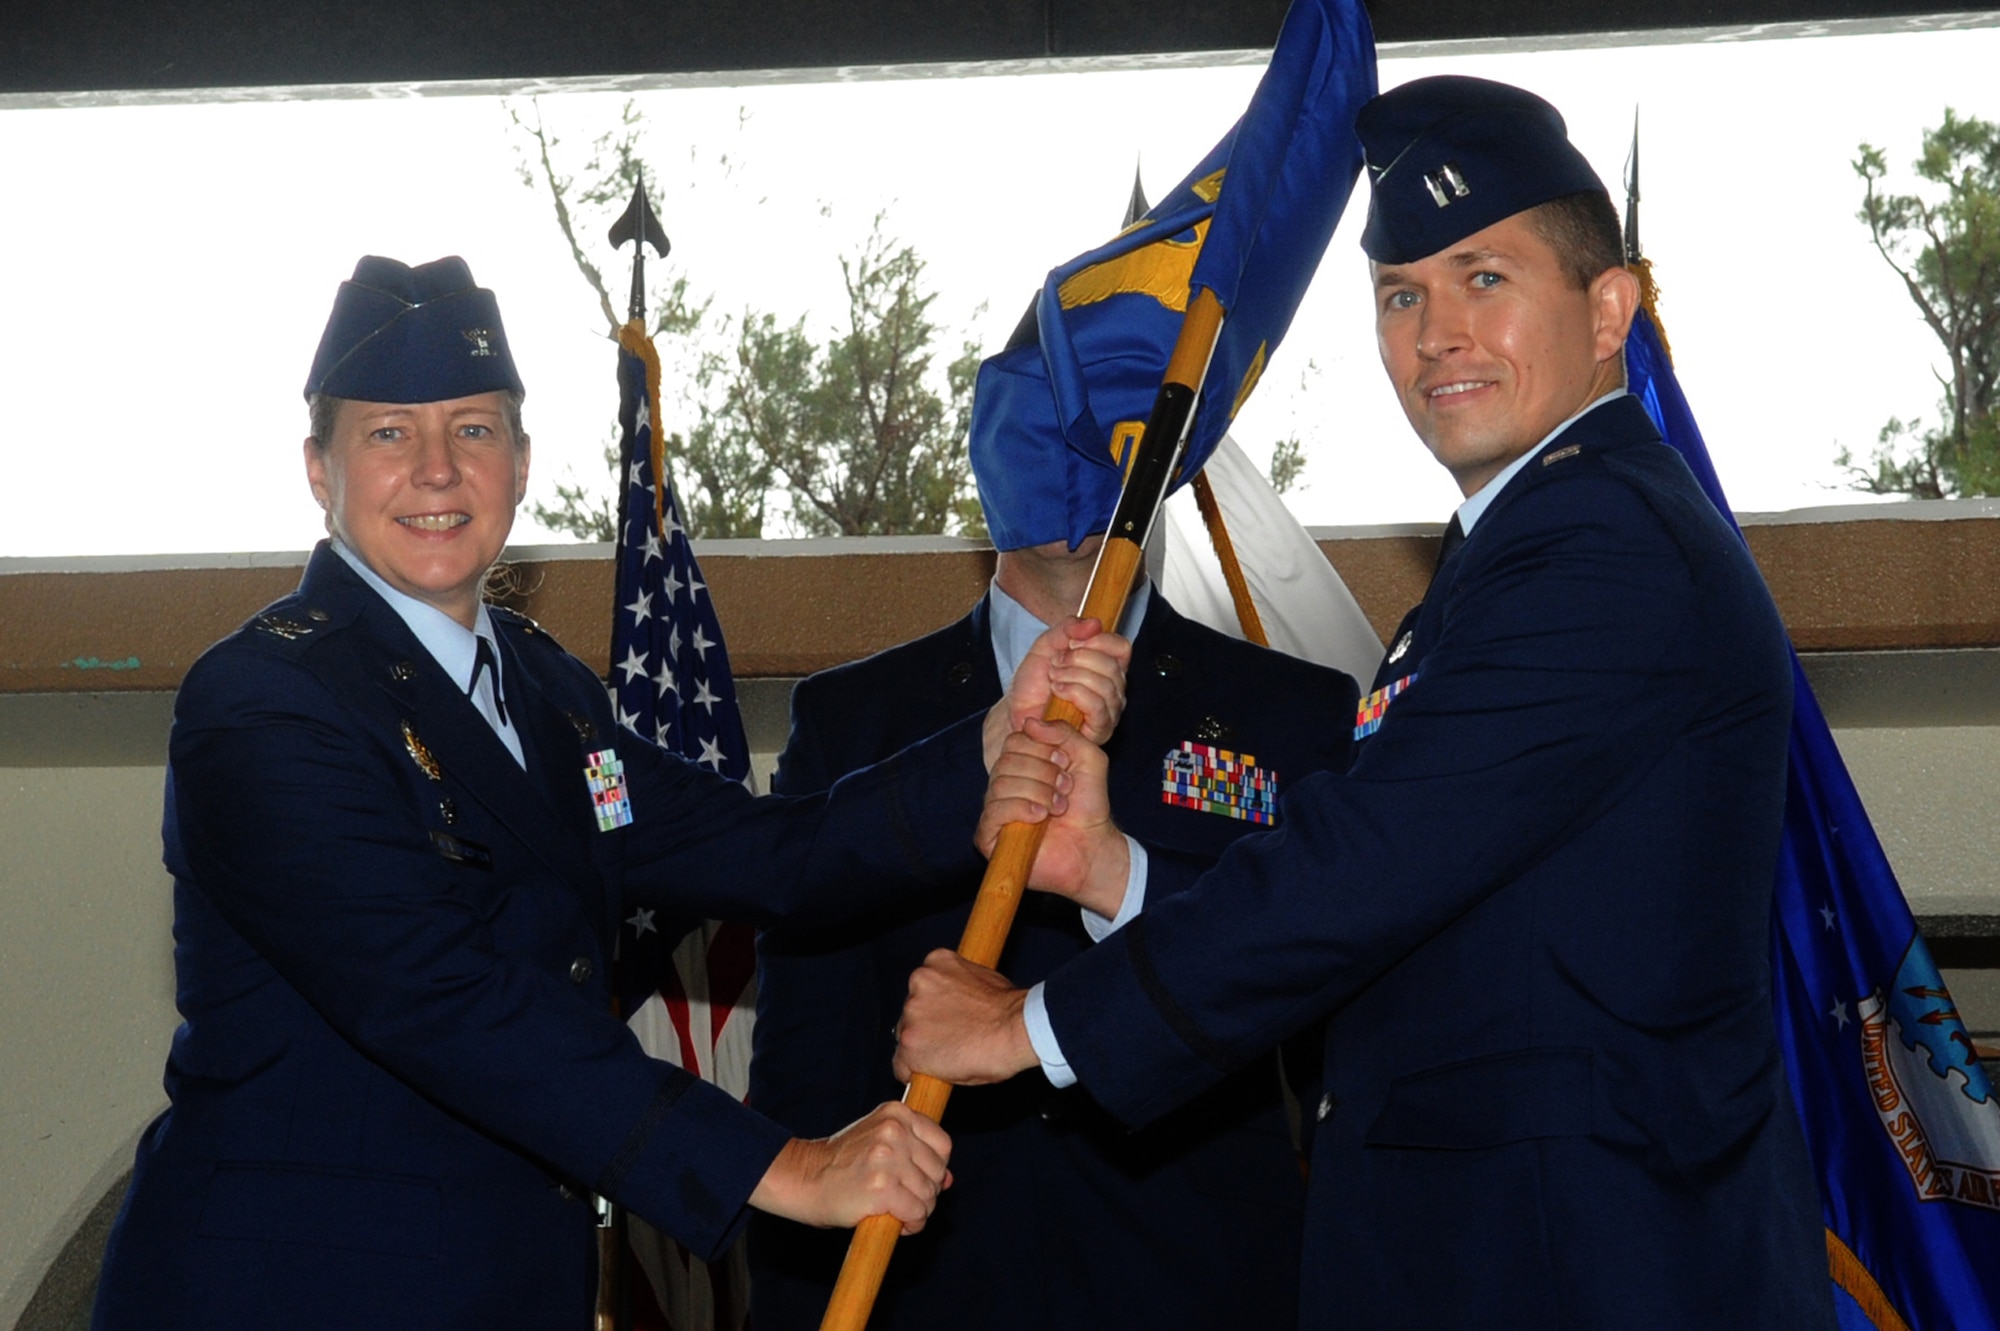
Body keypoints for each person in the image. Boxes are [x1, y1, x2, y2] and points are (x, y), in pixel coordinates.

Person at [894, 76, 1837, 1329]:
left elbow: (1362, 865)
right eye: (1403, 294)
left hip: (1583, 1273)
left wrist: (1030, 1026)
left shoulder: (1605, 549)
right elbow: (1411, 918)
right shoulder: (1503, 567)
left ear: (1609, 309)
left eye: (1483, 278)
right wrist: (1113, 868)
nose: (1436, 331)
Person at [89, 255, 1128, 1331]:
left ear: (523, 462)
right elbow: (442, 995)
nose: (438, 470)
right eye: (390, 433)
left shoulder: (549, 692)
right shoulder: (264, 701)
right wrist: (783, 1165)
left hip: (509, 1285)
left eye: (474, 430)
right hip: (296, 1292)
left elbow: (770, 850)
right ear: (319, 467)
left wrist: (991, 742)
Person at [745, 353, 1359, 1329]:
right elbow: (803, 1065)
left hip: (1200, 1282)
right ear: (981, 452)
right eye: (1039, 423)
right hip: (924, 1286)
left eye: (1107, 425)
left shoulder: (1286, 713)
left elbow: (1332, 1022)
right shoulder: (853, 724)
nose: (1074, 453)